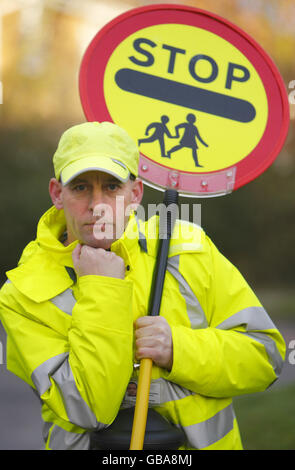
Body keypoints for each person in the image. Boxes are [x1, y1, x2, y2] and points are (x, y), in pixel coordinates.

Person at [0, 121, 285, 450]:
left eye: (111, 187)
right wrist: (101, 288)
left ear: (135, 194)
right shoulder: (21, 292)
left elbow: (266, 357)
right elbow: (88, 407)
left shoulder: (186, 247)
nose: (97, 205)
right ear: (56, 194)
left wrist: (177, 349)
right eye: (80, 187)